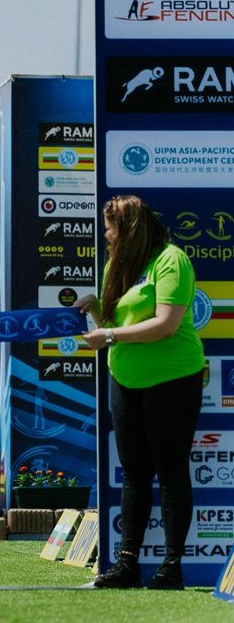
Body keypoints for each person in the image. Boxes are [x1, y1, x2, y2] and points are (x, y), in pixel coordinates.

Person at [77, 194, 204, 590]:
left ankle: (172, 565)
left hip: (173, 378)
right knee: (133, 475)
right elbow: (115, 324)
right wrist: (96, 309)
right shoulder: (116, 264)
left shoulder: (171, 260)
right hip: (125, 378)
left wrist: (109, 332)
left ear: (129, 228)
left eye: (111, 227)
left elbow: (166, 324)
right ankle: (126, 564)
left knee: (170, 471)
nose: (106, 235)